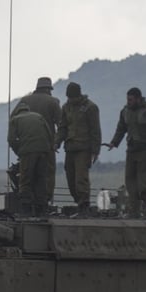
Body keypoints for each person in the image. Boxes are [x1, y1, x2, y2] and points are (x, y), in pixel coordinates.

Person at [103, 87, 146, 218]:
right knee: (130, 183)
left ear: (138, 98)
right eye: (127, 99)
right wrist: (114, 142)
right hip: (132, 151)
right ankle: (134, 211)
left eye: (131, 99)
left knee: (143, 184)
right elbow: (121, 128)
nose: (129, 102)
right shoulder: (125, 111)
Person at [55, 81, 101, 215]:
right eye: (68, 97)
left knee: (81, 178)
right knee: (71, 178)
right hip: (70, 148)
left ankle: (84, 204)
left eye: (72, 97)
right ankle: (79, 201)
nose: (70, 100)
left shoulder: (90, 107)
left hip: (84, 148)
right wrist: (57, 142)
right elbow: (62, 127)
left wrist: (95, 150)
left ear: (78, 95)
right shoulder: (66, 107)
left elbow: (95, 130)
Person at [8, 101, 54, 215]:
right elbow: (49, 134)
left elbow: (11, 140)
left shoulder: (15, 119)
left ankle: (26, 208)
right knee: (41, 179)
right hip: (44, 151)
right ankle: (41, 208)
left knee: (25, 180)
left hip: (28, 152)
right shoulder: (39, 117)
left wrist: (19, 152)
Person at [20, 77, 62, 203]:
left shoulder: (24, 101)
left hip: (27, 144)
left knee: (27, 174)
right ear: (49, 89)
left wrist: (19, 143)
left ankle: (27, 201)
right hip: (46, 145)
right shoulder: (53, 101)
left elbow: (14, 120)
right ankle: (45, 201)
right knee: (46, 174)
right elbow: (62, 124)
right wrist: (57, 142)